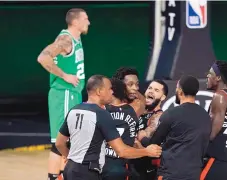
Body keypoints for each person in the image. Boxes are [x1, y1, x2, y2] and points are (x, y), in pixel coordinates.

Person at [55, 75, 162, 180]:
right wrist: (147, 152)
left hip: (70, 169)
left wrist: (72, 160)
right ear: (99, 91)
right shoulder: (101, 114)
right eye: (109, 89)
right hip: (88, 172)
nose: (112, 92)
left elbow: (59, 143)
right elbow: (122, 151)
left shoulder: (74, 109)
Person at [37, 8, 90, 179]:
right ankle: (53, 177)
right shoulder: (65, 39)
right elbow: (43, 57)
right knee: (59, 141)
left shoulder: (75, 38)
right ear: (76, 22)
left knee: (69, 140)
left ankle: (62, 175)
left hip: (72, 94)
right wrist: (64, 75)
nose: (88, 22)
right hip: (64, 94)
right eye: (85, 19)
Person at [143, 75, 211, 180]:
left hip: (171, 173)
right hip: (194, 174)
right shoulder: (206, 116)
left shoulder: (170, 114)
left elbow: (154, 144)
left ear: (180, 91)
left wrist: (141, 138)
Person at [201, 61, 227, 180]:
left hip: (218, 161)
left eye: (210, 73)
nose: (207, 76)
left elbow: (212, 133)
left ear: (218, 77)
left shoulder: (220, 96)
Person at [102, 78, 140, 180]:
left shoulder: (102, 110)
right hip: (121, 166)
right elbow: (133, 139)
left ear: (112, 91)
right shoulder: (131, 111)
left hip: (101, 166)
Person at [133, 80, 169, 180]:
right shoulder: (136, 111)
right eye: (150, 88)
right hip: (129, 164)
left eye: (156, 90)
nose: (151, 91)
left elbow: (142, 137)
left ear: (163, 97)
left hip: (143, 169)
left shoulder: (158, 116)